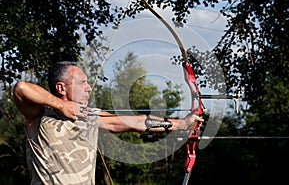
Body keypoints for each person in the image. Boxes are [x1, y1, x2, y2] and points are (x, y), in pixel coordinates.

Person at [13, 61, 202, 185]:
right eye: (82, 83)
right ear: (61, 87)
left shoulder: (89, 115)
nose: (88, 88)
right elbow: (21, 88)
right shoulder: (39, 116)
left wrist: (182, 124)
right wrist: (61, 106)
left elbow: (136, 121)